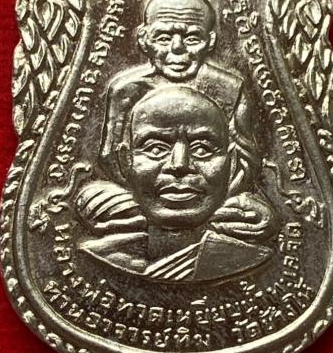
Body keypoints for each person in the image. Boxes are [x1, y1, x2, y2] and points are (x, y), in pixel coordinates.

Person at [76, 86, 279, 282]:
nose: (179, 165)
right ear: (125, 161)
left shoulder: (246, 259)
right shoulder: (102, 254)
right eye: (156, 149)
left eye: (202, 149)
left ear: (232, 163)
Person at [98, 0, 254, 185]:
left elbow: (245, 164)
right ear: (144, 39)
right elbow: (109, 159)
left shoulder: (229, 89)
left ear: (210, 41)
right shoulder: (126, 90)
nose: (177, 48)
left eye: (192, 38)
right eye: (163, 38)